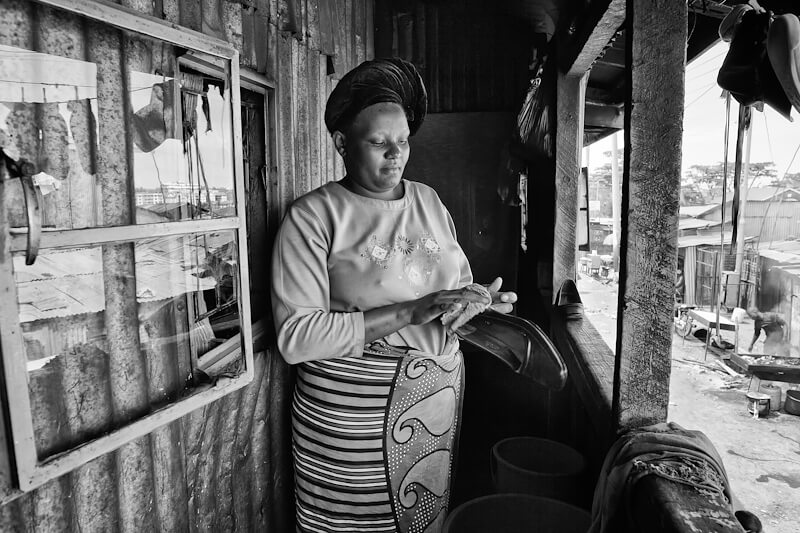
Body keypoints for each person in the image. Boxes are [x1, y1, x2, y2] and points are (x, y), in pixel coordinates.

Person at [270, 57, 517, 533]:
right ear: (343, 143)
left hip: (432, 406)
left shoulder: (427, 200)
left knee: (420, 519)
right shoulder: (315, 216)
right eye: (379, 143)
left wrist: (476, 304)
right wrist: (410, 311)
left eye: (402, 142)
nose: (395, 154)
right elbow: (296, 337)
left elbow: (451, 288)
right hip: (350, 421)